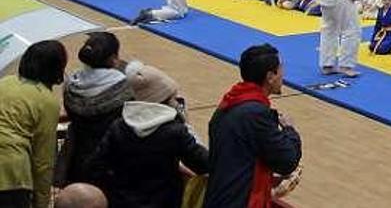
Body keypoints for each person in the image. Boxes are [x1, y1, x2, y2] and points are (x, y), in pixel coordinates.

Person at [87, 65, 209, 208]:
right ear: (164, 100)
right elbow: (203, 163)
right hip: (164, 202)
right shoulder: (174, 132)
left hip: (122, 201)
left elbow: (94, 166)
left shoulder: (119, 126)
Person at [204, 44, 301, 208]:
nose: (283, 75)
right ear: (270, 76)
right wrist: (290, 131)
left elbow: (241, 157)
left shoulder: (228, 103)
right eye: (280, 70)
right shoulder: (256, 115)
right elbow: (287, 160)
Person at [58, 32, 138, 187]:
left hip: (78, 160)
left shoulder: (71, 85)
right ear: (114, 58)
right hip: (114, 165)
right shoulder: (124, 87)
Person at [0, 41, 66, 208]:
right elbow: (43, 159)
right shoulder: (48, 102)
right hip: (10, 176)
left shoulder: (5, 82)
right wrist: (41, 202)